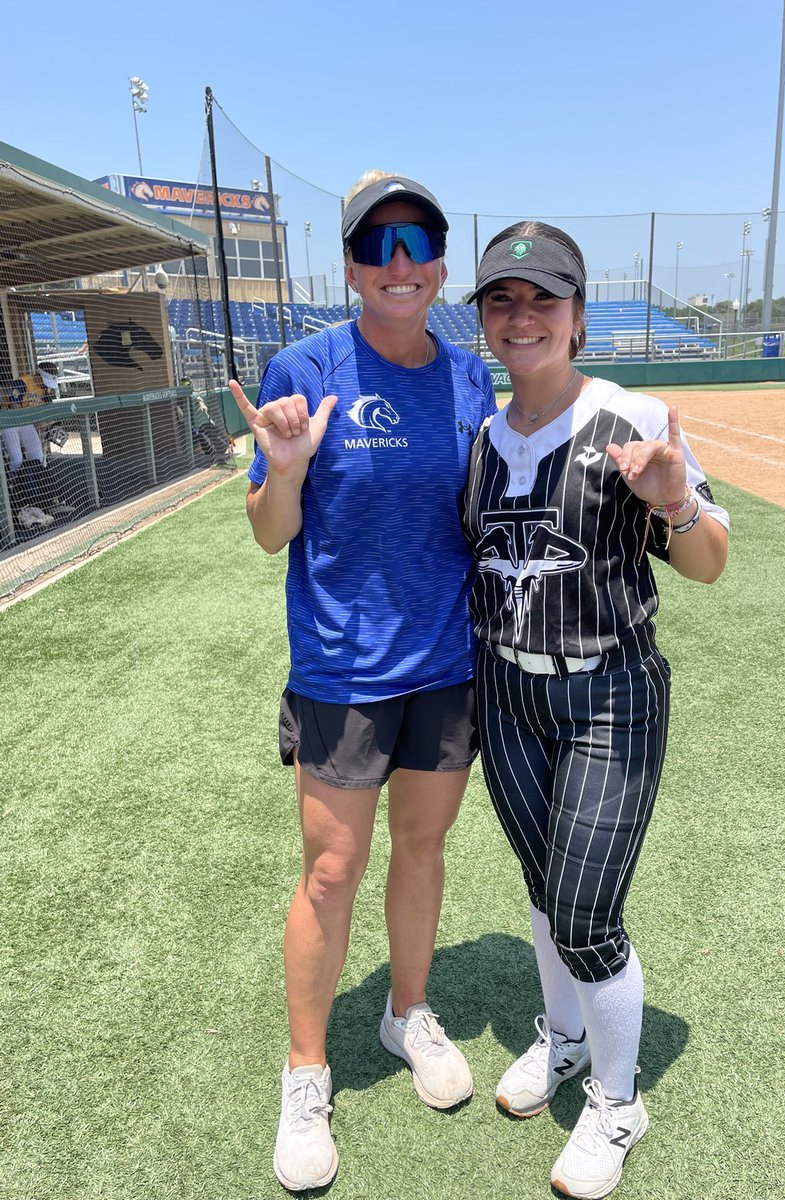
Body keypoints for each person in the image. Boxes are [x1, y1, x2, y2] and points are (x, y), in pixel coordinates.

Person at [228, 172, 496, 1192]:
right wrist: (286, 468)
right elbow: (268, 536)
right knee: (332, 873)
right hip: (342, 673)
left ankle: (405, 1014)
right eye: (374, 244)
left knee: (423, 848)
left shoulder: (471, 377)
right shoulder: (306, 365)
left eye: (415, 242)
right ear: (348, 266)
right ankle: (306, 1074)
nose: (395, 263)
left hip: (446, 665)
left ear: (437, 265)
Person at [462, 222, 729, 1199]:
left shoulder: (633, 418)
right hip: (507, 692)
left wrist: (673, 502)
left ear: (577, 315)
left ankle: (620, 1099)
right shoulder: (483, 437)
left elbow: (708, 562)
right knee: (543, 892)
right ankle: (565, 1038)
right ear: (485, 318)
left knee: (584, 910)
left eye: (543, 299)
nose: (522, 316)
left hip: (609, 694)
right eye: (503, 299)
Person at [0, 362, 73, 530]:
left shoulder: (45, 390)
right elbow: (15, 404)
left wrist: (47, 426)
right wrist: (36, 421)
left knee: (38, 456)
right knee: (17, 459)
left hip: (26, 422)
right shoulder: (23, 382)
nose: (44, 386)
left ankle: (48, 499)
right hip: (9, 420)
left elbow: (46, 410)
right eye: (43, 381)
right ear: (38, 375)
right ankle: (15, 496)